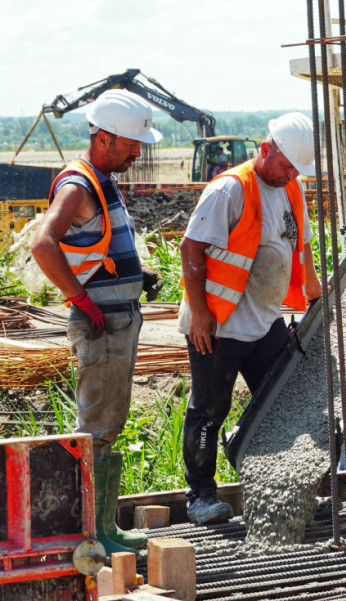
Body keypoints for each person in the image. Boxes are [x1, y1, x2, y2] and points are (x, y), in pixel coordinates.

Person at [30, 89, 163, 556]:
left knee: (108, 426)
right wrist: (81, 300)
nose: (138, 151)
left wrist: (135, 274)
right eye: (131, 143)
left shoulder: (101, 180)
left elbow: (93, 248)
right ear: (104, 138)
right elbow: (44, 244)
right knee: (97, 429)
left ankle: (103, 526)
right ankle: (93, 533)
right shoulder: (79, 185)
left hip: (117, 321)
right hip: (102, 325)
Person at [178, 112, 322, 525]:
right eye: (287, 164)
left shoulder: (290, 187)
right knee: (209, 407)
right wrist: (201, 315)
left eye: (297, 168)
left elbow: (303, 246)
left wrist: (313, 292)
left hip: (264, 321)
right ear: (265, 150)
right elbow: (191, 250)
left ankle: (289, 493)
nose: (291, 174)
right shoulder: (229, 189)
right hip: (218, 324)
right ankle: (201, 495)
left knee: (279, 406)